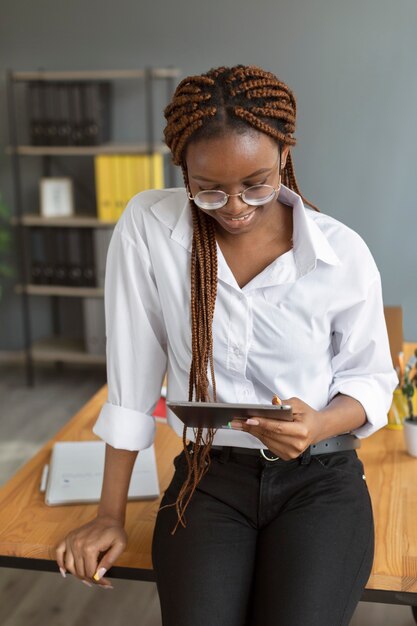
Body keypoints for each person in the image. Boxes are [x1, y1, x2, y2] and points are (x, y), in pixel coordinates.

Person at [55, 64, 398, 625]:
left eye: (256, 183)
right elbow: (131, 381)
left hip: (320, 480)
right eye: (209, 189)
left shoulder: (342, 252)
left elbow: (371, 380)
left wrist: (318, 425)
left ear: (286, 152)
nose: (236, 206)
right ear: (183, 169)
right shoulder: (150, 226)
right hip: (207, 479)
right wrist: (109, 515)